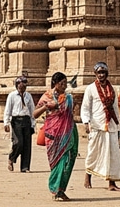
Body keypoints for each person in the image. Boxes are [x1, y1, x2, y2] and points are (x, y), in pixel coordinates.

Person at [34, 71, 78, 202]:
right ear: (55, 84)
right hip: (54, 134)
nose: (64, 86)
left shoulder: (68, 97)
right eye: (62, 83)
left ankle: (61, 190)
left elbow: (71, 112)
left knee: (69, 160)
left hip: (68, 131)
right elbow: (35, 114)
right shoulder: (47, 96)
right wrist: (47, 106)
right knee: (57, 161)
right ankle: (54, 190)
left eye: (65, 83)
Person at [81, 62, 120, 191]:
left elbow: (115, 108)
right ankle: (87, 177)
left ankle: (111, 183)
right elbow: (86, 107)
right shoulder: (90, 88)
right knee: (93, 153)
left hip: (111, 125)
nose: (101, 75)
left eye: (103, 72)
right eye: (99, 73)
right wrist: (86, 122)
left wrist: (118, 126)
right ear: (95, 74)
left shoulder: (112, 89)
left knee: (113, 155)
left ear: (107, 74)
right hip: (97, 125)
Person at [3, 75, 35, 173]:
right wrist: (6, 122)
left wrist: (33, 124)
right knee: (18, 142)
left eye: (25, 84)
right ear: (17, 85)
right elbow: (7, 110)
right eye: (22, 84)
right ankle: (12, 158)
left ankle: (25, 167)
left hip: (26, 120)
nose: (23, 86)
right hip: (16, 120)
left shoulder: (28, 96)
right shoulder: (12, 96)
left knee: (27, 145)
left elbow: (32, 110)